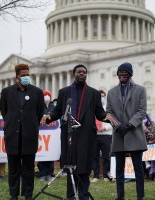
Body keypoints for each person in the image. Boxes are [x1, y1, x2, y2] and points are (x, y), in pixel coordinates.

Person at [44, 64, 117, 200]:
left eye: (84, 72)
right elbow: (58, 111)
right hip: (69, 134)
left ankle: (83, 195)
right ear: (74, 74)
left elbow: (99, 112)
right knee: (71, 166)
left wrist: (106, 116)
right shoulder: (64, 92)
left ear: (86, 74)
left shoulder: (93, 93)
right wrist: (49, 117)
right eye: (79, 72)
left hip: (86, 134)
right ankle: (71, 196)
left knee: (84, 166)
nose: (82, 74)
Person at [0, 64, 44, 200]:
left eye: (28, 75)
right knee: (13, 169)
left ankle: (28, 195)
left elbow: (39, 113)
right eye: (23, 75)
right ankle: (14, 195)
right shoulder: (7, 92)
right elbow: (4, 112)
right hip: (12, 135)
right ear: (17, 76)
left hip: (29, 135)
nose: (26, 77)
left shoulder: (37, 92)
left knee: (28, 169)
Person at [106, 62, 147, 200]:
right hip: (119, 134)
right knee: (119, 169)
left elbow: (142, 111)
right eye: (120, 72)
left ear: (130, 74)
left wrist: (129, 125)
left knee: (138, 169)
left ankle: (140, 196)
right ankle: (120, 195)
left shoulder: (140, 90)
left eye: (125, 72)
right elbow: (109, 112)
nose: (122, 74)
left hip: (134, 133)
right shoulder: (111, 92)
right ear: (117, 74)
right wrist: (118, 126)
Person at [91, 90, 113, 183]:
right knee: (95, 156)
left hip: (106, 135)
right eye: (100, 96)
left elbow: (112, 122)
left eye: (103, 96)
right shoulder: (92, 108)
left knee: (106, 156)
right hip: (95, 135)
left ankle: (105, 175)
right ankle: (96, 175)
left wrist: (105, 128)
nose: (101, 98)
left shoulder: (109, 109)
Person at [37, 90, 55, 182]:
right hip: (42, 135)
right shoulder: (39, 106)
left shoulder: (53, 106)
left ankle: (50, 173)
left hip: (51, 134)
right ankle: (43, 173)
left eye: (48, 95)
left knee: (50, 155)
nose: (47, 97)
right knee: (42, 155)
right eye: (45, 95)